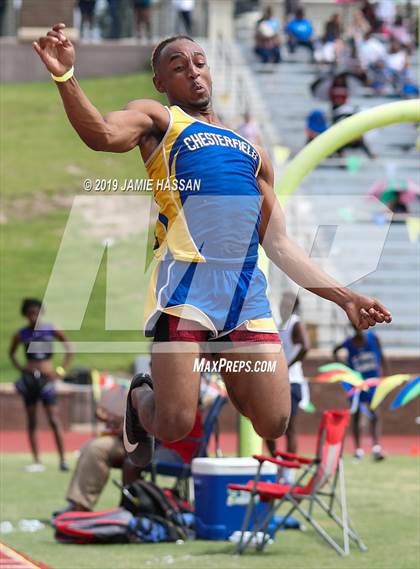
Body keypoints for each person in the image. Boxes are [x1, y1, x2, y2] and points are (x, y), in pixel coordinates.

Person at [33, 26, 392, 469]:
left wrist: (345, 296)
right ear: (161, 83)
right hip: (186, 286)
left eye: (199, 63)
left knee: (274, 420)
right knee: (175, 424)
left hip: (243, 294)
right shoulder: (160, 120)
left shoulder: (252, 151)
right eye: (178, 68)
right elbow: (103, 134)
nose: (194, 74)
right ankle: (141, 395)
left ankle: (222, 358)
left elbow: (279, 243)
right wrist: (66, 77)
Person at [56, 404, 203, 513]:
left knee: (131, 461)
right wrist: (117, 421)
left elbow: (163, 423)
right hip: (141, 440)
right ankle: (79, 505)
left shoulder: (180, 388)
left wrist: (127, 426)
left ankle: (129, 510)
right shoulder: (152, 384)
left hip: (165, 445)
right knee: (94, 447)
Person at [9, 298, 73, 471]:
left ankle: (63, 460)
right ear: (25, 315)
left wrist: (60, 370)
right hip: (30, 380)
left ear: (41, 313)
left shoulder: (51, 330)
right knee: (31, 420)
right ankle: (37, 461)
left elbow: (70, 348)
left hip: (47, 379)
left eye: (36, 312)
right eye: (30, 313)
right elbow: (12, 353)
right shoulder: (21, 334)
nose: (33, 316)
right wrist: (22, 369)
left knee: (53, 419)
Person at [333, 325, 388, 462]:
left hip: (373, 382)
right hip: (356, 383)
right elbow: (335, 350)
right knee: (356, 415)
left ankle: (376, 447)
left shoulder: (373, 338)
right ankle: (358, 450)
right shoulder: (349, 343)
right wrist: (344, 366)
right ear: (353, 328)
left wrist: (385, 375)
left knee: (374, 413)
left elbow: (382, 356)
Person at [266, 292, 310, 460]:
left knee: (289, 428)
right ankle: (276, 462)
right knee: (268, 426)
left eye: (287, 303)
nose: (283, 306)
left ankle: (288, 472)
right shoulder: (278, 324)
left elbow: (306, 346)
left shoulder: (295, 323)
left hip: (292, 382)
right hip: (275, 382)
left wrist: (287, 366)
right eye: (282, 303)